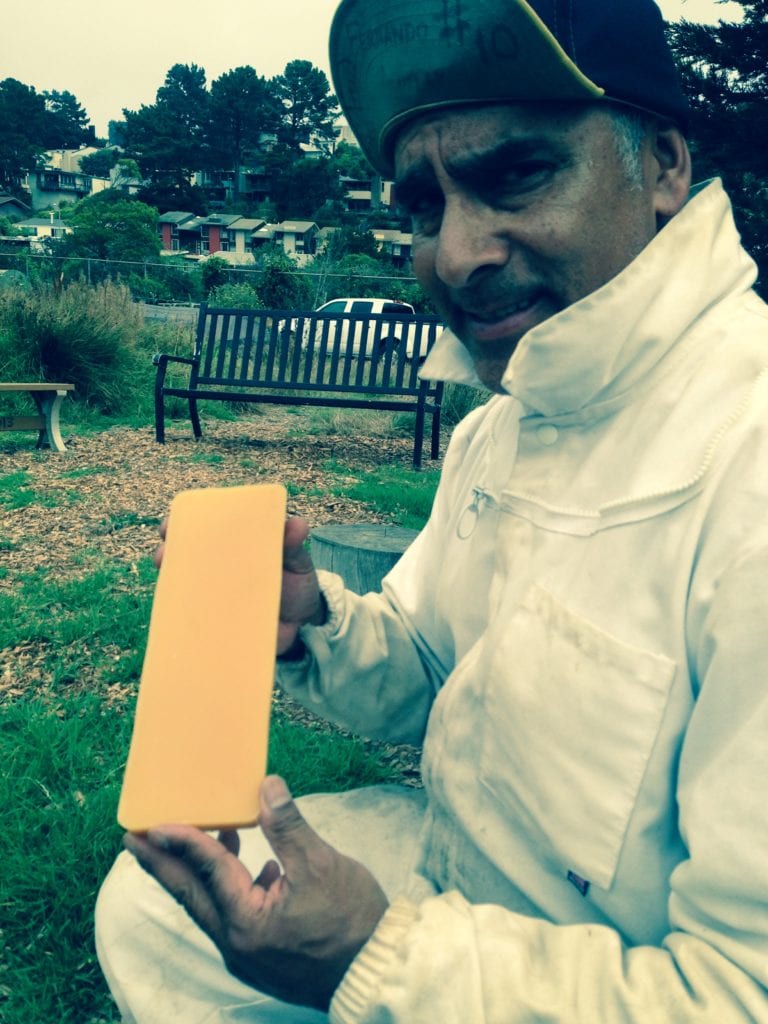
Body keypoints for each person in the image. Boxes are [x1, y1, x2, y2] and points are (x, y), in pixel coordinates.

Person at [95, 0, 768, 1020]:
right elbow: (435, 668)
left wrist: (378, 961)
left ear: (665, 164)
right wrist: (313, 622)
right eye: (421, 205)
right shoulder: (501, 427)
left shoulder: (746, 464)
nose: (455, 254)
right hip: (459, 879)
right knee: (150, 907)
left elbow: (738, 990)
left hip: (605, 977)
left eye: (517, 174)